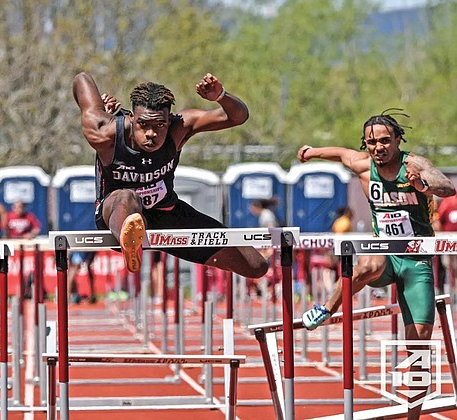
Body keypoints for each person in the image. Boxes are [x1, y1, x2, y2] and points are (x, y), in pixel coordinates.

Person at [297, 109, 455, 417]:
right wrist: (311, 152)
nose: (378, 148)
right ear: (366, 145)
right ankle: (326, 309)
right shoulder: (362, 165)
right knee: (369, 262)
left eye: (384, 141)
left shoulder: (413, 163)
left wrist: (423, 185)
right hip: (384, 254)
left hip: (416, 260)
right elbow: (339, 153)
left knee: (419, 348)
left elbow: (447, 187)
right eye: (371, 142)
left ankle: (413, 416)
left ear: (397, 140)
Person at [73, 72, 268, 279]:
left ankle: (134, 235)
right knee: (128, 197)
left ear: (169, 120)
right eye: (144, 125)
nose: (151, 134)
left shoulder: (180, 127)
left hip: (167, 213)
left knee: (256, 266)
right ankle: (130, 241)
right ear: (131, 118)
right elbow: (81, 79)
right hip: (117, 213)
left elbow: (238, 117)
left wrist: (221, 95)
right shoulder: (106, 132)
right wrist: (102, 111)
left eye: (160, 126)